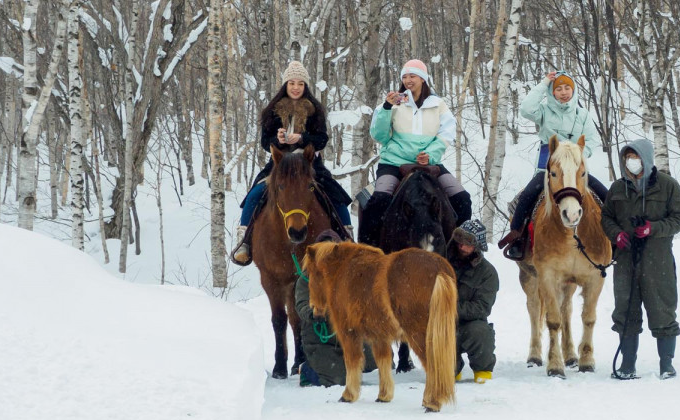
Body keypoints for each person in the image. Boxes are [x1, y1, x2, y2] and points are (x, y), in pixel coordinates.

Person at [231, 60, 353, 265]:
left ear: (305, 86)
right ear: (285, 85)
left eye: (300, 83)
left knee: (336, 196)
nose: (296, 87)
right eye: (292, 83)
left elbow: (322, 139)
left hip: (310, 164)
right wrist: (276, 141)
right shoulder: (272, 110)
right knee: (255, 195)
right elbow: (264, 142)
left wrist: (302, 139)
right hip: (280, 165)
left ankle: (348, 238)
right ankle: (244, 241)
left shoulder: (315, 110)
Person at [600, 138, 680, 380]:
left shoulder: (668, 186)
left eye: (636, 157)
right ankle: (627, 365)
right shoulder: (617, 189)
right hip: (626, 260)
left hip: (657, 260)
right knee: (625, 310)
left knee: (663, 308)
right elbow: (606, 217)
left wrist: (654, 228)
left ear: (646, 159)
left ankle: (666, 364)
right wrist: (616, 234)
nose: (632, 162)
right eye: (628, 158)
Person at [358, 58, 472, 246]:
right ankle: (367, 251)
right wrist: (387, 108)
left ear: (423, 79)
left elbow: (446, 133)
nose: (408, 80)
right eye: (405, 77)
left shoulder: (438, 104)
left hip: (430, 163)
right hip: (394, 162)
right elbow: (379, 136)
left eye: (413, 76)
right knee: (379, 200)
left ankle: (457, 251)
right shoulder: (393, 102)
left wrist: (430, 154)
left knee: (462, 199)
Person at [497, 71, 608, 260]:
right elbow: (526, 109)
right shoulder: (544, 111)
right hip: (549, 169)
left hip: (575, 169)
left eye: (567, 88)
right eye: (558, 88)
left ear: (573, 91)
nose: (564, 92)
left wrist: (579, 155)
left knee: (605, 195)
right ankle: (517, 238)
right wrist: (544, 83)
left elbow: (591, 139)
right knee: (526, 197)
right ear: (552, 92)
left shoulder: (582, 114)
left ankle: (612, 238)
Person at [294, 230, 375, 386]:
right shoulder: (306, 278)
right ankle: (307, 370)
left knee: (377, 364)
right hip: (321, 339)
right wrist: (314, 314)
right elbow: (302, 304)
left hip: (349, 335)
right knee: (338, 380)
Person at [447, 220, 499, 383]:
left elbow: (482, 308)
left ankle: (482, 371)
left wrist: (449, 308)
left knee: (481, 332)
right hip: (443, 323)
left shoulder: (488, 273)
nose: (462, 247)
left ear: (477, 246)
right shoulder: (441, 263)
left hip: (471, 324)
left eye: (467, 243)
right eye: (459, 242)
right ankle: (450, 369)